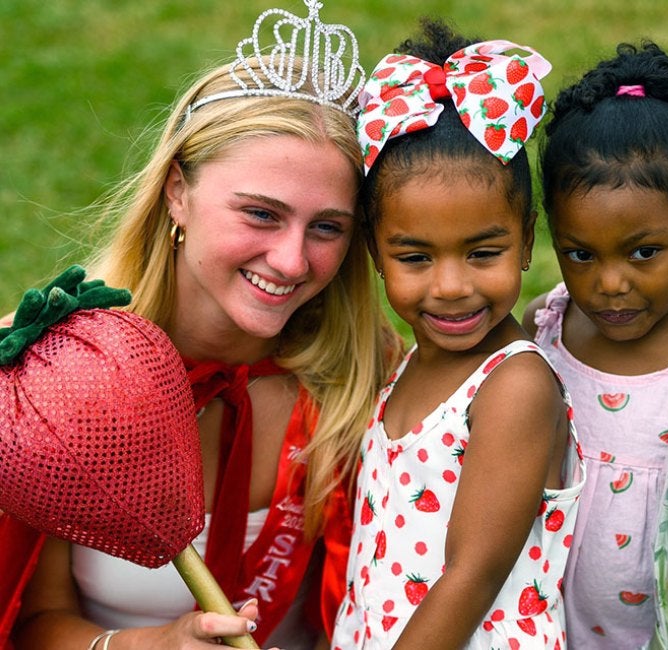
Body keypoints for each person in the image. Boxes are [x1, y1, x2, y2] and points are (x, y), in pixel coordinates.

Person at [5, 2, 400, 648]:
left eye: (327, 226)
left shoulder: (360, 374)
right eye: (262, 214)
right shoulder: (70, 378)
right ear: (177, 191)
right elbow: (34, 621)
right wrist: (150, 646)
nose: (293, 260)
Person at [330, 20, 586, 649]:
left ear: (525, 240)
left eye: (482, 253)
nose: (449, 286)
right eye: (415, 258)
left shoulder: (515, 386)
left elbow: (470, 575)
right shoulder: (413, 361)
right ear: (374, 250)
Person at [522, 41, 668, 648]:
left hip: (654, 627)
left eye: (644, 252)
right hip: (537, 612)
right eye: (580, 254)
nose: (610, 284)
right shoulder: (546, 324)